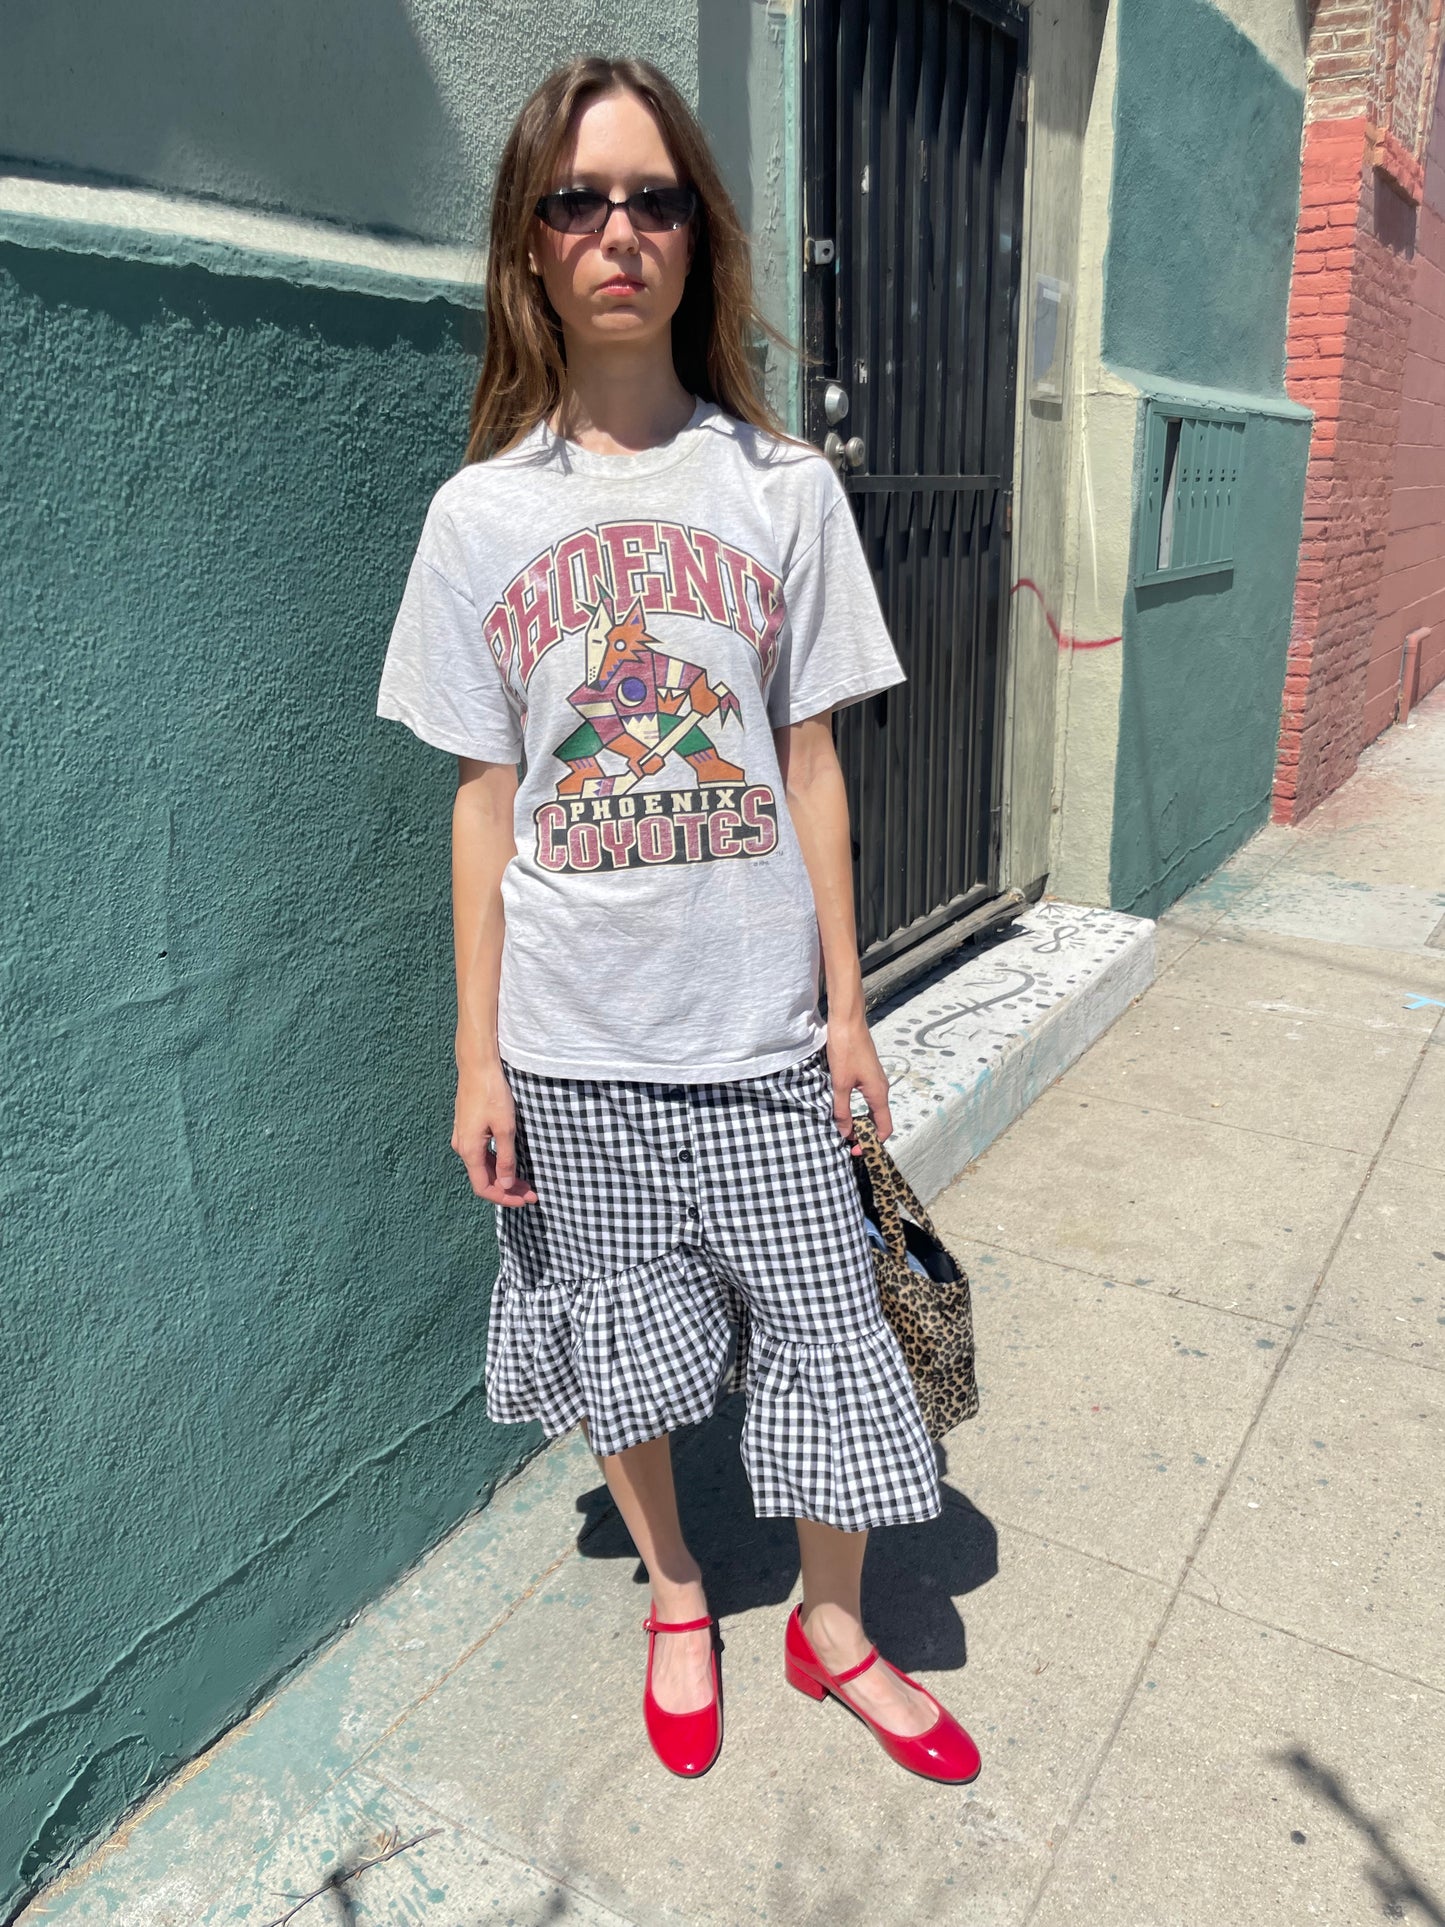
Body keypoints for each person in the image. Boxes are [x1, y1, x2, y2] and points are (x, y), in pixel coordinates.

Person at [377, 54, 979, 1786]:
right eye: (577, 200)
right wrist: (475, 1054)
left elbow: (811, 766)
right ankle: (675, 1585)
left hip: (758, 1037)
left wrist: (850, 1008)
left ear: (697, 237)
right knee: (618, 1338)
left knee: (832, 1341)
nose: (617, 232)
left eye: (651, 198)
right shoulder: (479, 516)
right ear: (532, 243)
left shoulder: (779, 487)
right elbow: (485, 802)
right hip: (570, 1041)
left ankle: (834, 1622)